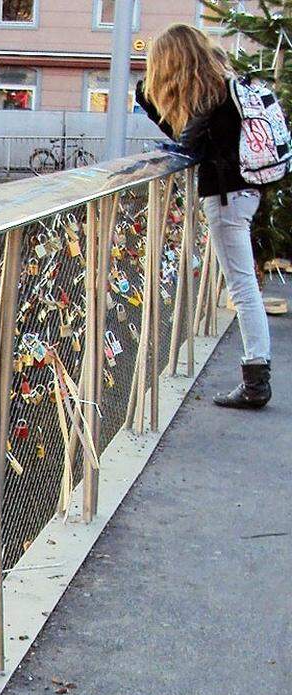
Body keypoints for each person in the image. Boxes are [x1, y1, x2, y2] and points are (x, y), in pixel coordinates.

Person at [136, 23, 272, 409]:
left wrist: (147, 94)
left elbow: (187, 142)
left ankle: (256, 380)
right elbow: (188, 135)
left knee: (242, 287)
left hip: (227, 197)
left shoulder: (213, 102)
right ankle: (256, 376)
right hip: (245, 193)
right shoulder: (222, 89)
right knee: (243, 283)